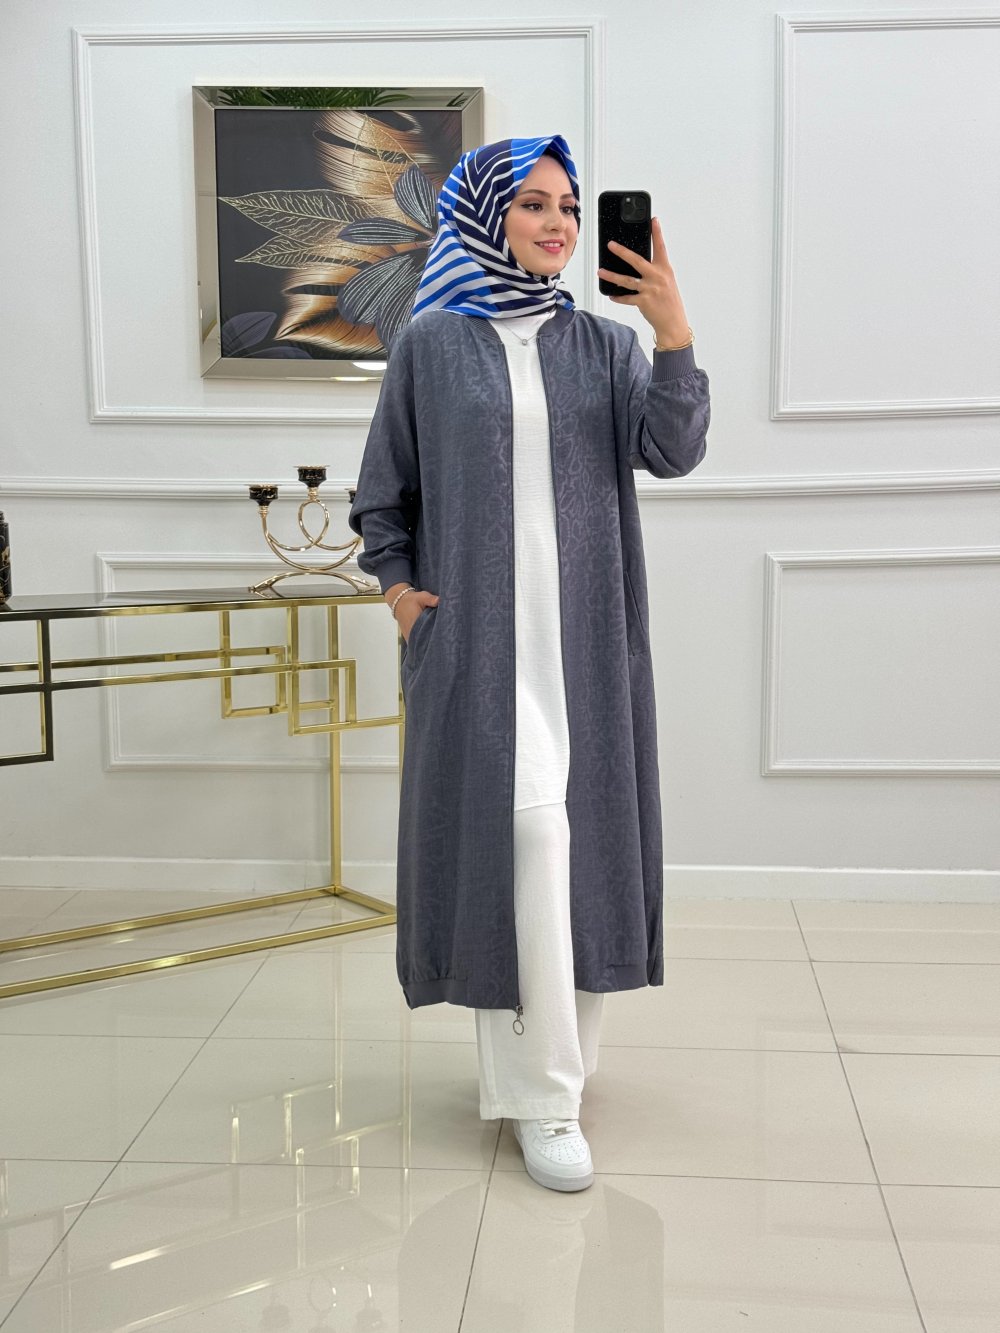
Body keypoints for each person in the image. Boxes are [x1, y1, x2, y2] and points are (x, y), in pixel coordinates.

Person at [347, 135, 710, 1192]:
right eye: (535, 203)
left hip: (585, 649)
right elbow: (384, 491)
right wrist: (399, 591)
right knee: (531, 843)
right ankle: (546, 1098)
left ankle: (554, 1074)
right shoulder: (431, 345)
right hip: (477, 652)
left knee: (578, 848)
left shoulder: (604, 345)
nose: (559, 223)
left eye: (570, 207)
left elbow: (674, 451)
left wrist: (673, 334)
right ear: (484, 216)